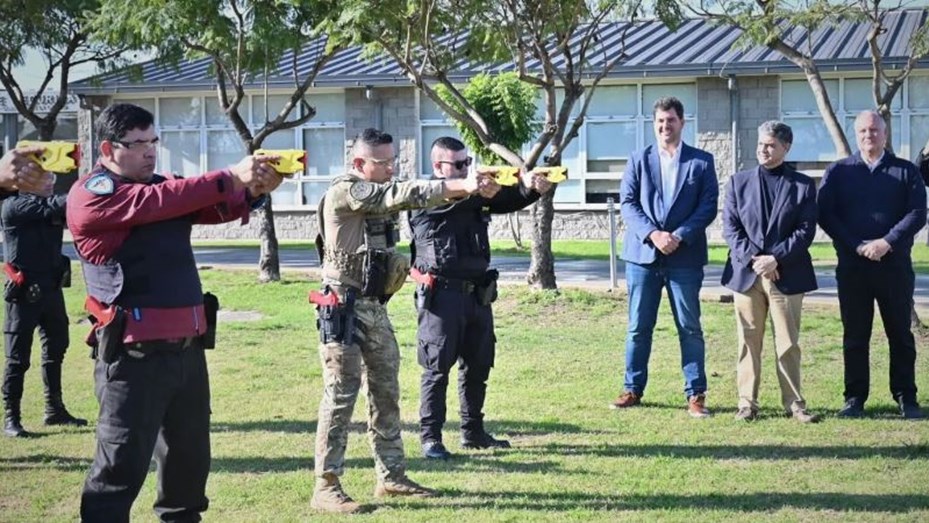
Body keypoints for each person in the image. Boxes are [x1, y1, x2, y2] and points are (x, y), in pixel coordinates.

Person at [67, 103, 281, 521]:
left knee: (188, 469)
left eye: (154, 141)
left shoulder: (160, 187)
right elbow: (159, 201)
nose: (150, 151)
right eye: (138, 144)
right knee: (117, 474)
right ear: (108, 149)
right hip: (132, 359)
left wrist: (254, 189)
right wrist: (230, 175)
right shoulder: (93, 194)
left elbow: (207, 206)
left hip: (186, 353)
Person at [311, 128, 484, 514]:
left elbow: (404, 195)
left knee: (386, 393)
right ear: (359, 163)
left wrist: (469, 189)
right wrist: (459, 184)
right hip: (342, 308)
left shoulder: (380, 188)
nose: (391, 168)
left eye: (393, 161)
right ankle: (326, 485)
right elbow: (399, 195)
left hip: (374, 307)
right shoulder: (348, 191)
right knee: (340, 397)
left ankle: (391, 477)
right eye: (383, 162)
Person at [410, 137, 553, 461]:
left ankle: (473, 432)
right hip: (441, 298)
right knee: (436, 370)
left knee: (477, 366)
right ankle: (431, 438)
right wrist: (477, 188)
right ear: (438, 166)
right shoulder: (426, 196)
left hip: (477, 295)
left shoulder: (474, 195)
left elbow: (506, 200)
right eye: (458, 164)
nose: (465, 169)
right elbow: (459, 200)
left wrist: (530, 188)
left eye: (467, 162)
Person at [613, 96, 719, 418]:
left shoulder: (701, 162)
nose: (665, 126)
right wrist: (653, 234)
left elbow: (708, 206)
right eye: (660, 121)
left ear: (682, 122)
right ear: (654, 123)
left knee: (689, 327)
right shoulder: (638, 159)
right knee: (638, 328)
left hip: (684, 258)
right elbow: (628, 203)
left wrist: (679, 235)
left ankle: (695, 393)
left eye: (670, 120)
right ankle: (632, 389)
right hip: (643, 257)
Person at [818, 110, 926, 420]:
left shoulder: (905, 171)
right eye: (863, 131)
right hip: (853, 268)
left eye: (875, 130)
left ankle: (906, 397)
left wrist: (886, 242)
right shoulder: (838, 171)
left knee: (900, 335)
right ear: (856, 134)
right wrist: (856, 245)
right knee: (855, 336)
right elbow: (826, 215)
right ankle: (854, 398)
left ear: (885, 134)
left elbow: (918, 213)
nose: (869, 135)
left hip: (894, 267)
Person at [721, 121, 820, 423]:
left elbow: (805, 231)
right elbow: (731, 228)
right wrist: (757, 260)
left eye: (771, 145)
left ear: (786, 148)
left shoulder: (803, 185)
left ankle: (795, 404)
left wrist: (775, 259)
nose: (764, 150)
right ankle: (747, 404)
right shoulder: (738, 182)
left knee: (788, 342)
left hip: (786, 275)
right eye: (761, 144)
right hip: (746, 275)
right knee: (748, 340)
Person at [2, 177, 85, 437]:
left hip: (51, 289)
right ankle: (11, 418)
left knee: (57, 348)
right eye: (43, 178)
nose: (50, 182)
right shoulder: (14, 205)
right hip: (24, 292)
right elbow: (53, 206)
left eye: (52, 177)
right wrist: (89, 188)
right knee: (17, 358)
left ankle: (54, 409)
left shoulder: (49, 206)